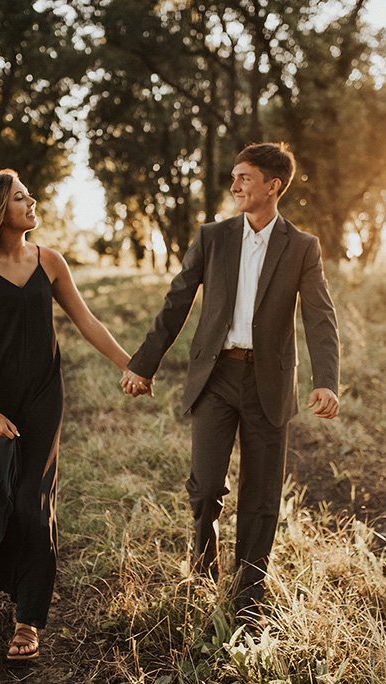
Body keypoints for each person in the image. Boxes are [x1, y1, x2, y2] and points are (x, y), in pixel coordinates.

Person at [121, 142, 340, 619]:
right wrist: (144, 363)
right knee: (204, 488)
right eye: (235, 177)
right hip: (215, 377)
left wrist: (327, 380)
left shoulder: (302, 247)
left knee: (261, 498)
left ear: (272, 186)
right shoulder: (213, 237)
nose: (236, 185)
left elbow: (320, 317)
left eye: (245, 177)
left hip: (270, 381)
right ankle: (201, 570)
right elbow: (176, 303)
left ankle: (248, 599)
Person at [0, 169, 132, 661]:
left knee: (33, 498)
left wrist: (132, 365)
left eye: (29, 194)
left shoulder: (50, 262)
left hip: (43, 396)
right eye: (20, 198)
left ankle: (29, 619)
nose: (32, 203)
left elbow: (85, 320)